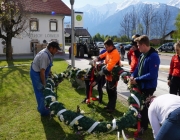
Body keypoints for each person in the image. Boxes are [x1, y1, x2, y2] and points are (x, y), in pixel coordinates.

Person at [130, 35, 160, 132]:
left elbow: (152, 74)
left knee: (145, 107)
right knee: (139, 105)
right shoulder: (142, 55)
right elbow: (137, 68)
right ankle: (138, 122)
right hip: (141, 85)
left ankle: (144, 126)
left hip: (149, 86)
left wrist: (137, 79)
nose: (137, 47)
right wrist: (132, 76)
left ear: (143, 45)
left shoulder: (154, 56)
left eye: (138, 45)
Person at [30, 41, 60, 116]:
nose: (57, 51)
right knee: (40, 90)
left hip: (40, 72)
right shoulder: (44, 55)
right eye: (56, 49)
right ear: (51, 48)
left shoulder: (49, 54)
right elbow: (42, 72)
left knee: (43, 90)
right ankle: (43, 111)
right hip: (36, 73)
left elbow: (47, 66)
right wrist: (44, 83)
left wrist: (50, 74)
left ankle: (45, 107)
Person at [93, 39, 120, 113]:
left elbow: (110, 66)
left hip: (113, 76)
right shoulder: (109, 51)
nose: (106, 48)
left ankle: (112, 108)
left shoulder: (115, 53)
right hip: (108, 76)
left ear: (111, 46)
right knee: (108, 90)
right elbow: (103, 55)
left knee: (112, 92)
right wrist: (97, 58)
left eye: (107, 47)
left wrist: (102, 72)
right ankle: (109, 105)